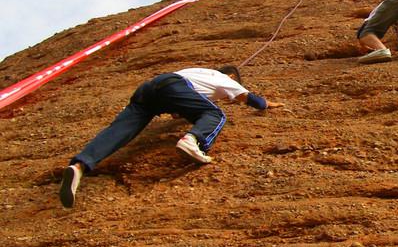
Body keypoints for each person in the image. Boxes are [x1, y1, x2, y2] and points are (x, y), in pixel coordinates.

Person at [59, 65, 283, 208]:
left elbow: (178, 107)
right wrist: (266, 104)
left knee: (119, 131)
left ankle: (79, 166)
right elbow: (247, 98)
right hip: (175, 86)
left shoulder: (198, 72)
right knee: (215, 113)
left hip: (149, 89)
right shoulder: (224, 78)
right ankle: (193, 141)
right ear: (232, 76)